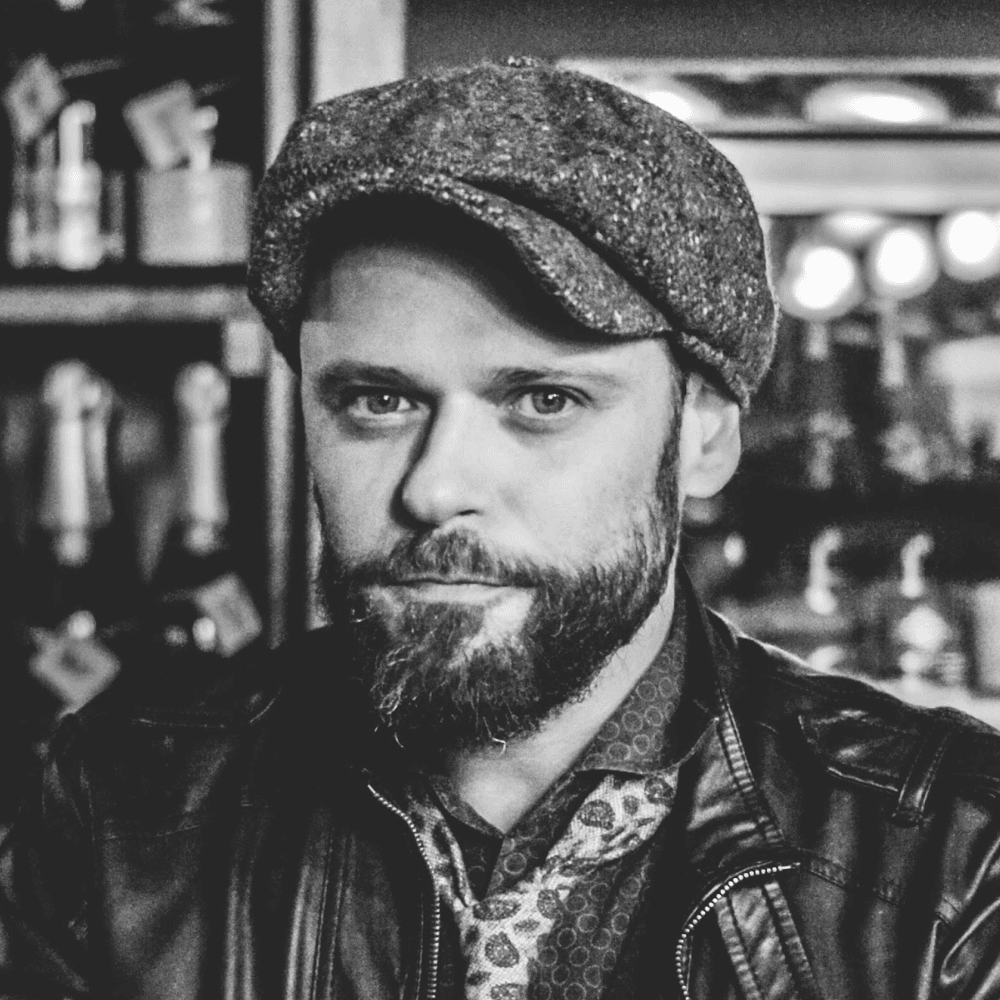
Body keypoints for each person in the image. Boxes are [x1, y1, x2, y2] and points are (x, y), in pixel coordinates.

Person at [3, 57, 1000, 1000]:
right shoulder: (118, 817)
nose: (436, 488)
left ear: (702, 434)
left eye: (544, 400)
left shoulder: (952, 863)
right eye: (377, 400)